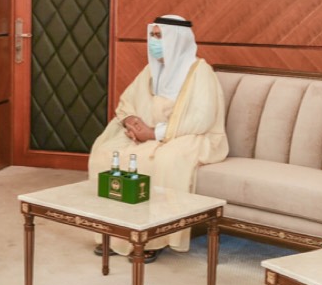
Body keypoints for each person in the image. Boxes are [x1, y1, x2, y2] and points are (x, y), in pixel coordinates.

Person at [87, 15, 228, 261]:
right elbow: (128, 101)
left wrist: (154, 134)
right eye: (152, 35)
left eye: (160, 36)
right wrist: (131, 121)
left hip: (191, 136)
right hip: (151, 133)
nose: (154, 42)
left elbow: (200, 119)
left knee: (163, 160)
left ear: (177, 39)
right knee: (107, 153)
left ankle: (154, 237)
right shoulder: (151, 70)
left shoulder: (199, 72)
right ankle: (116, 232)